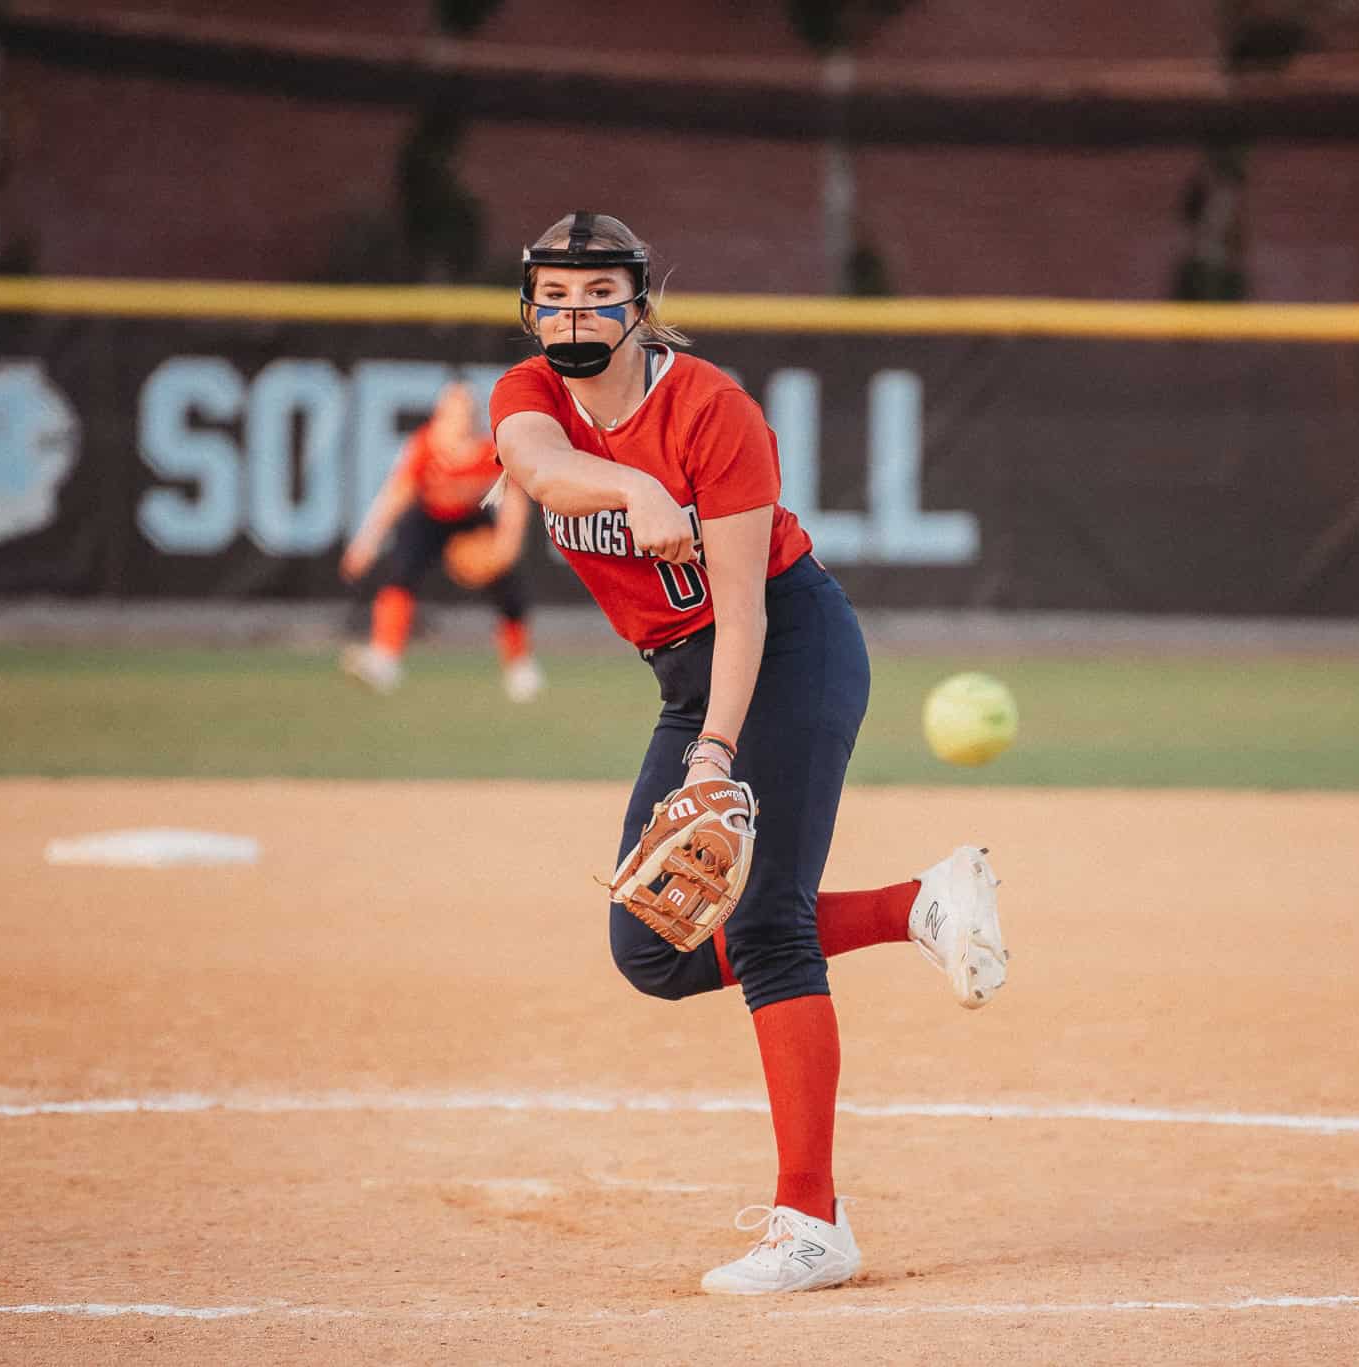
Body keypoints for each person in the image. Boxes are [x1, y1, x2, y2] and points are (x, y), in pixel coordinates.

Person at [491, 211, 1010, 1296]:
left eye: (597, 295)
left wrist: (713, 753)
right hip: (687, 678)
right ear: (528, 306)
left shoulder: (711, 410)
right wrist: (632, 488)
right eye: (553, 295)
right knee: (655, 948)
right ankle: (918, 901)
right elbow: (537, 469)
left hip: (783, 648)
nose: (573, 315)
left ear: (637, 304)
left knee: (767, 927)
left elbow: (743, 610)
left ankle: (811, 1223)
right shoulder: (529, 395)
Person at [338, 381, 544, 702]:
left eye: (466, 412)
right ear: (440, 415)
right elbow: (397, 495)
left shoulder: (489, 449)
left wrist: (506, 543)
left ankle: (520, 666)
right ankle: (385, 659)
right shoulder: (426, 445)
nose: (461, 419)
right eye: (453, 412)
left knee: (509, 587)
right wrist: (366, 543)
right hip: (429, 515)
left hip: (470, 517)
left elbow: (514, 498)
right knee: (401, 574)